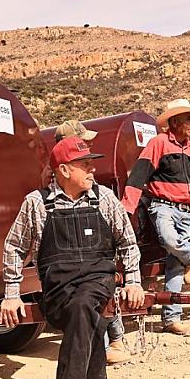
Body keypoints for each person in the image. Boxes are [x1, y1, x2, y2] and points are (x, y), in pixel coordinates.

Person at [0, 136, 144, 379]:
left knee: (84, 308)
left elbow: (127, 242)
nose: (92, 169)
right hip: (57, 289)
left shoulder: (103, 198)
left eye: (92, 162)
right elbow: (14, 247)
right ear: (63, 170)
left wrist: (132, 280)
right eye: (84, 164)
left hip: (98, 282)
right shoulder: (36, 204)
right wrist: (12, 292)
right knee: (88, 326)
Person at [48, 120, 128, 364]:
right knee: (91, 294)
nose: (89, 144)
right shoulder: (56, 182)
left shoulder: (90, 182)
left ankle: (114, 340)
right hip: (72, 258)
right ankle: (102, 348)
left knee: (101, 286)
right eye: (82, 140)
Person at [123, 99, 190, 336]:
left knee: (174, 265)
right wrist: (126, 208)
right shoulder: (158, 143)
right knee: (170, 241)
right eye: (188, 118)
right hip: (163, 207)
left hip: (186, 211)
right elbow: (139, 175)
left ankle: (171, 319)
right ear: (174, 121)